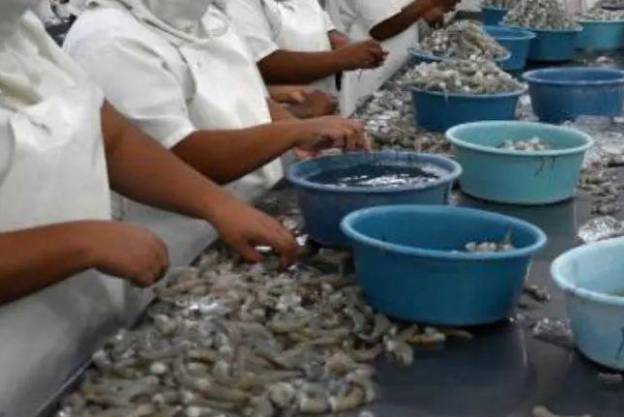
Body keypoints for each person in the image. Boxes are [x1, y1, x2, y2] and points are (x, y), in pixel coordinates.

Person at [0, 4, 298, 417]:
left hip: (84, 347)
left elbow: (113, 139)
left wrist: (218, 205)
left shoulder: (22, 36)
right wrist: (80, 243)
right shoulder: (104, 36)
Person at [63, 0, 368, 239]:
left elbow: (249, 92)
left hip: (252, 207)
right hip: (182, 237)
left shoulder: (208, 15)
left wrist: (303, 133)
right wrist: (294, 132)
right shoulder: (109, 41)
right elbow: (182, 156)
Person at [222, 0, 388, 98]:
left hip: (325, 103)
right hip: (289, 115)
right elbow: (265, 64)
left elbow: (327, 30)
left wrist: (353, 49)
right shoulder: (237, 5)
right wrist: (342, 58)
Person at [325, 0, 461, 113]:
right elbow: (382, 29)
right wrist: (430, 3)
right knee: (367, 120)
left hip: (394, 70)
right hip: (368, 74)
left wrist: (426, 12)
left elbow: (400, 8)